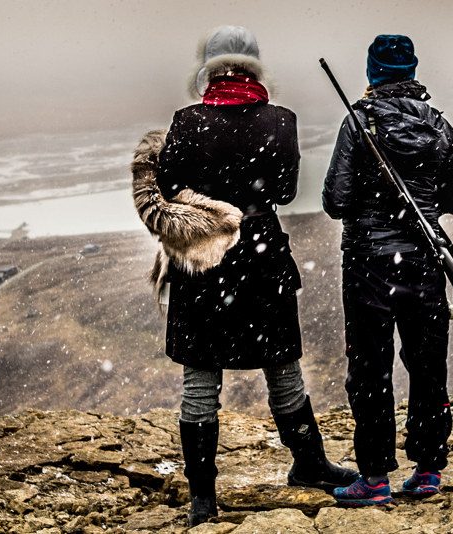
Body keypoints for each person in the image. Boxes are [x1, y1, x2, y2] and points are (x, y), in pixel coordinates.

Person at [134, 25, 358, 527]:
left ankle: (203, 497)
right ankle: (309, 463)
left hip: (205, 259)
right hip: (262, 256)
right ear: (255, 68)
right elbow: (282, 191)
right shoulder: (281, 121)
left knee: (200, 383)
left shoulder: (185, 122)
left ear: (208, 71)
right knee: (283, 371)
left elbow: (169, 188)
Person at [322, 34, 453, 506]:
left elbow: (335, 200)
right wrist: (417, 209)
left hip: (368, 262)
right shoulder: (439, 125)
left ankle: (374, 478)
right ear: (412, 71)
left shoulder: (358, 122)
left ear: (372, 73)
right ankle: (427, 470)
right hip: (425, 263)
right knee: (428, 367)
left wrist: (374, 212)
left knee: (370, 369)